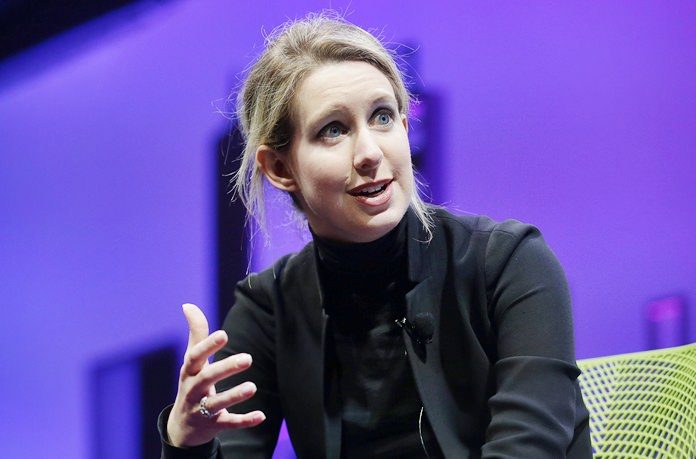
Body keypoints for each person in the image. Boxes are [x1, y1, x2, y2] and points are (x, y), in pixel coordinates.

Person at [159, 12, 592, 458]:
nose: (369, 152)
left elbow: (528, 448)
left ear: (404, 128)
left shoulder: (509, 263)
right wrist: (188, 443)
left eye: (382, 117)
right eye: (333, 130)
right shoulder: (268, 309)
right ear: (280, 168)